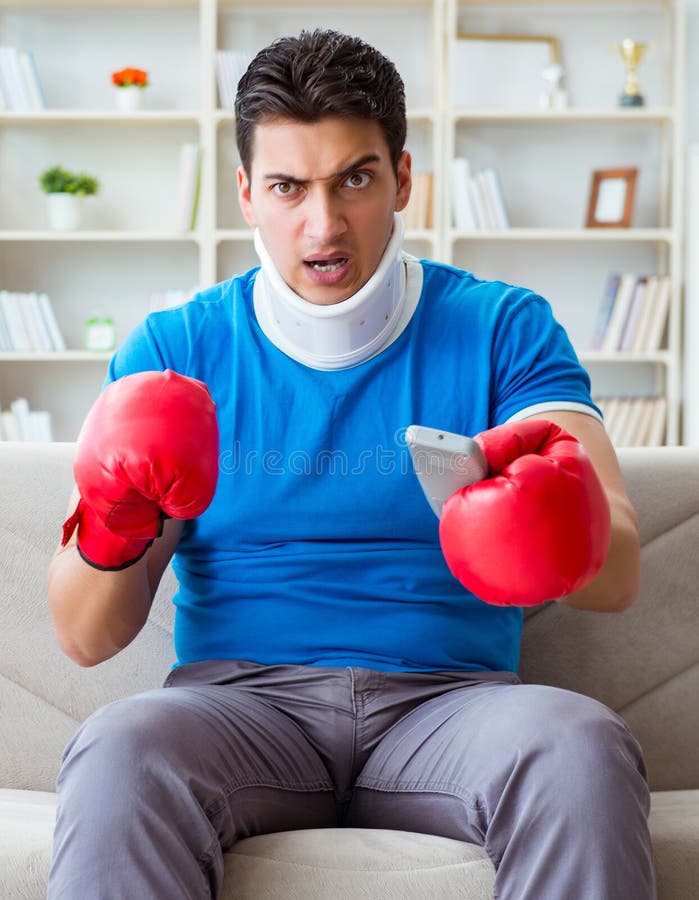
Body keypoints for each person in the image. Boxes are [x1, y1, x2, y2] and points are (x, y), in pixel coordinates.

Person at [47, 28, 655, 900]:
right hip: (239, 710)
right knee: (119, 751)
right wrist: (114, 521)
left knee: (577, 744)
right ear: (248, 193)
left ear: (402, 178)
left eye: (355, 181)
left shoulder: (502, 328)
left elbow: (622, 570)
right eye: (289, 187)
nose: (323, 224)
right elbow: (83, 636)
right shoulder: (177, 347)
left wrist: (557, 527)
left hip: (451, 705)